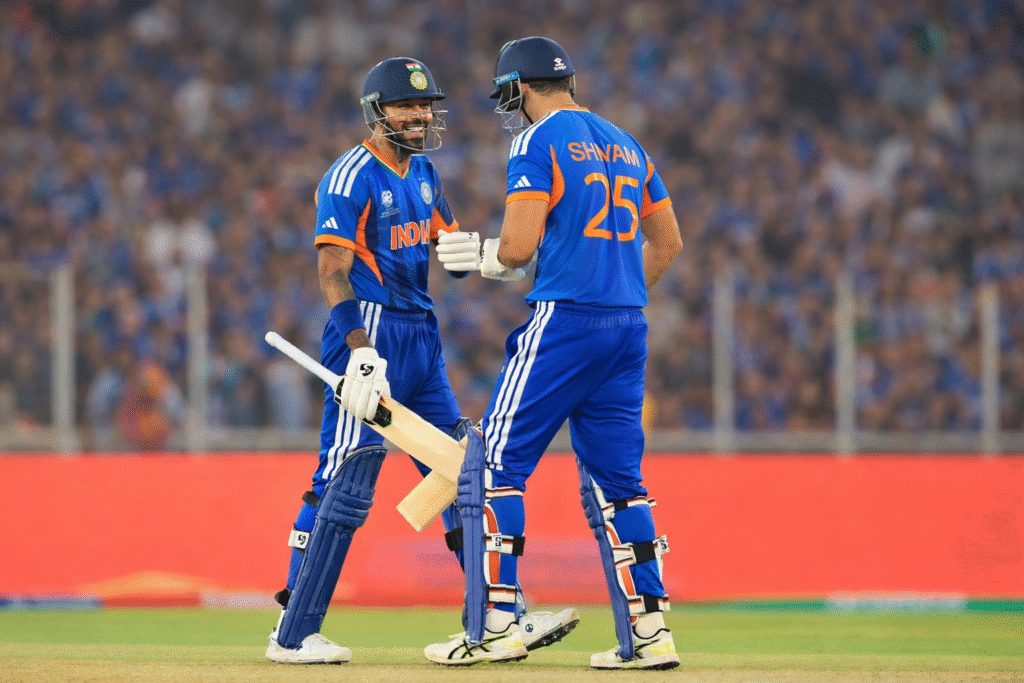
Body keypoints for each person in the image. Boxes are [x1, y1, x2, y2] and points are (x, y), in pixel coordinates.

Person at [265, 56, 579, 665]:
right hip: (371, 329)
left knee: (463, 468)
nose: (419, 115)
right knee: (347, 477)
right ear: (377, 112)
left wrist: (467, 252)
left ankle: (495, 615)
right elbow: (332, 269)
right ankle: (293, 633)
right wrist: (359, 351)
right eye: (407, 106)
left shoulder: (428, 174)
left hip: (421, 332)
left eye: (425, 105)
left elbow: (447, 242)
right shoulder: (349, 175)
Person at [425, 37, 684, 669]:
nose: (506, 105)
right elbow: (669, 241)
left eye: (507, 92)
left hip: (566, 322)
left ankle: (497, 624)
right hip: (627, 327)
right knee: (622, 485)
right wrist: (615, 289)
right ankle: (651, 633)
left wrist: (483, 256)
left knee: (491, 466)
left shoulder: (535, 141)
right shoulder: (627, 142)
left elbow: (516, 248)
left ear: (523, 86)